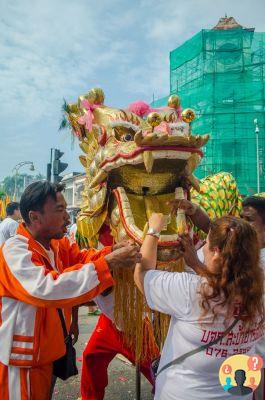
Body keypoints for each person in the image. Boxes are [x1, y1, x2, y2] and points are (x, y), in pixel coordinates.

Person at [0, 181, 141, 400]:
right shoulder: (14, 251)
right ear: (35, 217)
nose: (67, 217)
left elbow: (84, 258)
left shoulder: (56, 245)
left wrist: (111, 251)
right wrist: (109, 263)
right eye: (60, 210)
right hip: (22, 363)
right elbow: (47, 288)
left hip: (45, 356)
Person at [134, 213, 264, 400]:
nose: (203, 247)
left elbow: (142, 275)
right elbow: (223, 286)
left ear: (216, 251)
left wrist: (153, 230)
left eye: (206, 241)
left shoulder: (191, 291)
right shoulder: (259, 295)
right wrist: (195, 264)